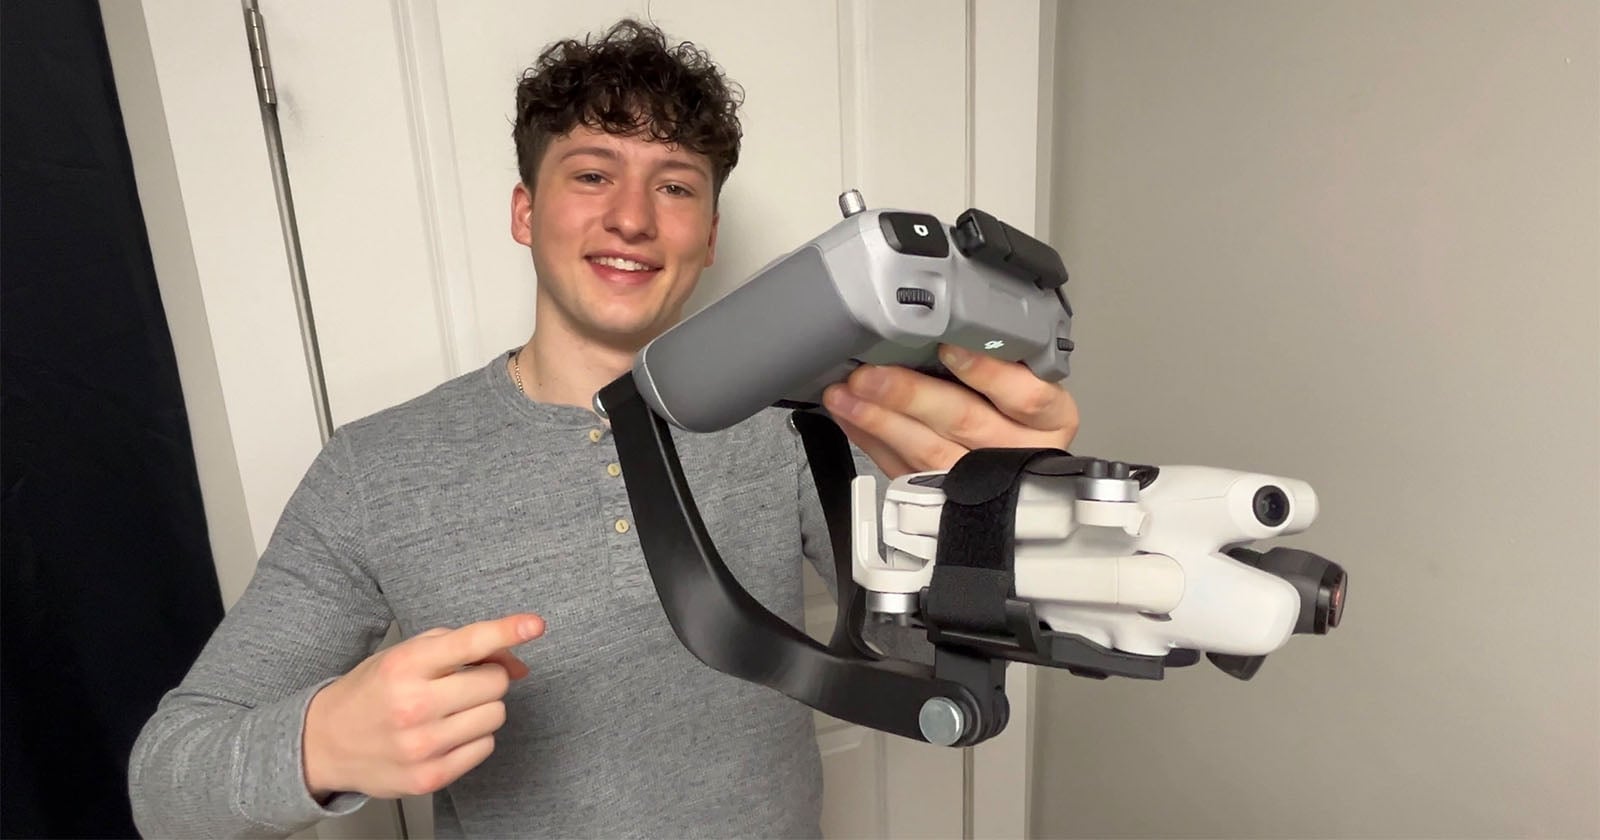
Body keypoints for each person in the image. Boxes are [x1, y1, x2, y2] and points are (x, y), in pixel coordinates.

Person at [127, 18, 1078, 839]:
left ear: (707, 236)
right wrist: (317, 744)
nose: (632, 218)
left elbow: (916, 662)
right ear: (524, 211)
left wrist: (987, 518)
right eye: (592, 174)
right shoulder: (374, 470)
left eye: (675, 186)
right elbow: (165, 785)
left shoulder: (796, 423)